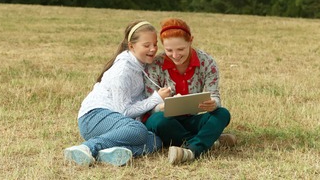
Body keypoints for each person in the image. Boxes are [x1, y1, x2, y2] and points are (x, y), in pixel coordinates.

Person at [64, 20, 172, 166]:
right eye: (146, 45)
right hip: (94, 117)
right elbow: (124, 111)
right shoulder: (122, 70)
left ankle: (107, 153)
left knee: (155, 140)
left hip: (117, 124)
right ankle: (88, 147)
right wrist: (156, 98)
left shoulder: (142, 64)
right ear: (131, 46)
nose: (153, 49)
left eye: (155, 44)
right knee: (137, 129)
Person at [143, 18, 236, 165]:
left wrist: (213, 104)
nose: (175, 55)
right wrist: (162, 106)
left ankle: (191, 149)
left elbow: (215, 96)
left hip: (192, 119)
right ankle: (208, 141)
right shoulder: (155, 65)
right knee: (156, 121)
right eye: (169, 50)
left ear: (190, 41)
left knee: (222, 113)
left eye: (181, 49)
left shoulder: (206, 62)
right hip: (167, 120)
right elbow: (149, 105)